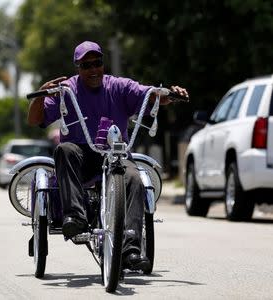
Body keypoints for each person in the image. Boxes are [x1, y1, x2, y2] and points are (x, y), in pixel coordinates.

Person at [27, 41, 188, 270]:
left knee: (135, 178)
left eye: (97, 63)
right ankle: (75, 216)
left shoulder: (119, 86)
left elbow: (149, 94)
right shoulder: (67, 89)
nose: (93, 69)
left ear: (103, 63)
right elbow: (35, 120)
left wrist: (168, 94)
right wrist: (41, 94)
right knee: (64, 150)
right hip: (81, 155)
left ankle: (130, 248)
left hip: (115, 154)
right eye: (86, 65)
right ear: (78, 67)